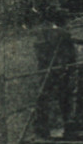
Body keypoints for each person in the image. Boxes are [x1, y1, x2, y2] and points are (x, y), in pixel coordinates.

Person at [32, 8, 78, 136]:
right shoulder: (62, 33)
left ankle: (43, 127)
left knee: (45, 97)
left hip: (49, 69)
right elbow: (70, 53)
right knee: (62, 96)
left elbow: (39, 50)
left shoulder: (44, 32)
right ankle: (65, 123)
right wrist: (65, 65)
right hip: (55, 69)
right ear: (62, 20)